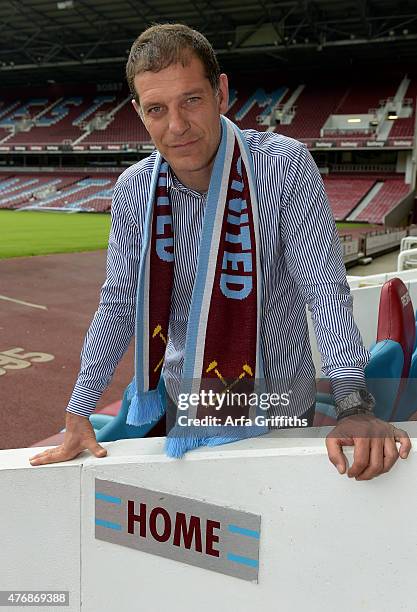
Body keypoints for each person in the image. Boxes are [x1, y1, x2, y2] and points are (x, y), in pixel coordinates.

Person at [29, 23, 411, 478]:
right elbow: (118, 305)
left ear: (221, 92)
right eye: (156, 109)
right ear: (139, 112)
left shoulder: (282, 165)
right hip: (184, 403)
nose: (176, 126)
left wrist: (353, 402)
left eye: (191, 99)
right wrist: (80, 409)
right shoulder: (135, 190)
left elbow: (323, 290)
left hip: (277, 406)